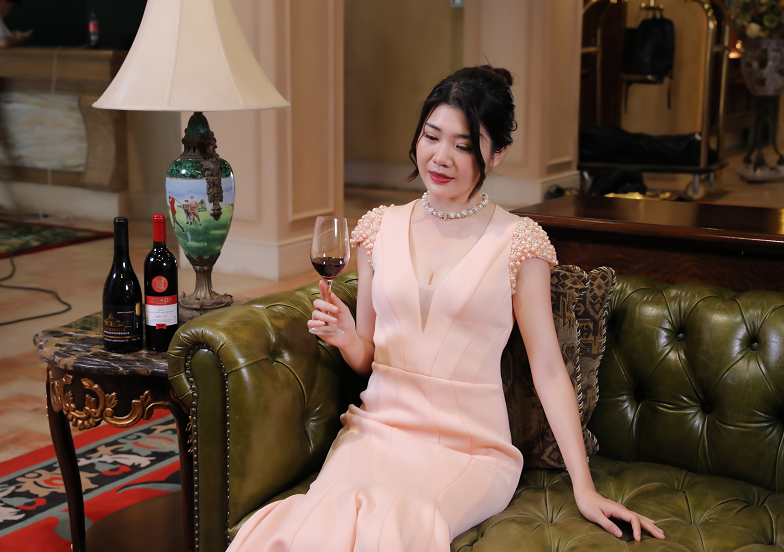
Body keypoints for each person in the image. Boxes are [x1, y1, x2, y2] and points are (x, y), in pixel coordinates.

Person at [228, 66, 665, 552]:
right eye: (431, 136)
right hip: (376, 431)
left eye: (464, 145)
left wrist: (584, 487)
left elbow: (547, 368)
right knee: (312, 524)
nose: (440, 157)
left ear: (496, 154)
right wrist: (347, 338)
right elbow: (369, 358)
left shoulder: (519, 242)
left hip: (470, 449)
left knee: (393, 527)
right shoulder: (377, 230)